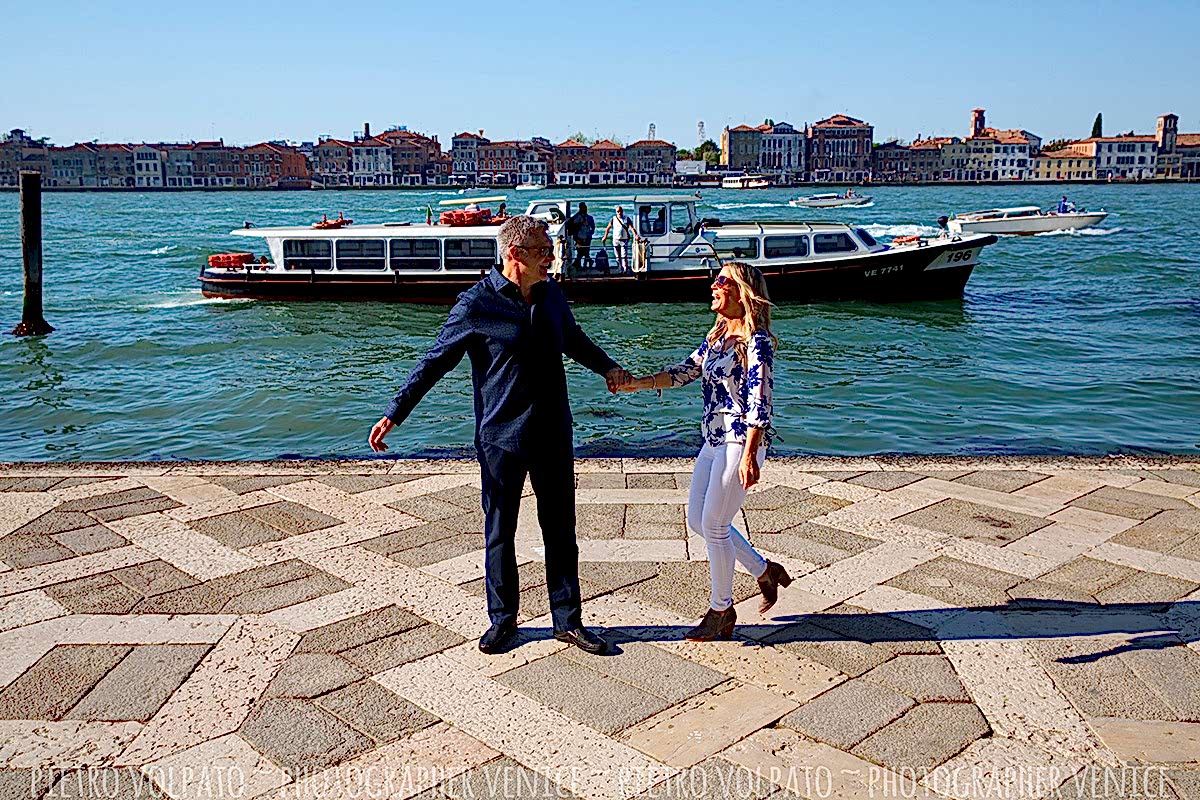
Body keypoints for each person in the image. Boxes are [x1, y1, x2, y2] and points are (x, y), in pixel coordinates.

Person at [368, 215, 633, 655]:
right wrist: (396, 413)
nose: (552, 256)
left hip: (552, 433)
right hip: (500, 438)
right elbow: (435, 362)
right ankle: (503, 622)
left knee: (561, 532)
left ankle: (568, 621)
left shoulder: (551, 295)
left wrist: (608, 367)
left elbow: (575, 339)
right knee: (500, 532)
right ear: (516, 255)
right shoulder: (476, 305)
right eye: (544, 250)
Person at [617, 262, 790, 641]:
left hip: (738, 441)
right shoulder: (716, 337)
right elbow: (684, 371)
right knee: (699, 522)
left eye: (723, 280)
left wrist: (750, 455)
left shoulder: (755, 342)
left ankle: (721, 610)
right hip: (712, 441)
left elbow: (761, 400)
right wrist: (638, 385)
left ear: (742, 292)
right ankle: (764, 570)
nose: (714, 284)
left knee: (714, 526)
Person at [601, 205, 641, 274]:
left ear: (622, 211)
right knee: (617, 256)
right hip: (616, 239)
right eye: (618, 211)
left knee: (624, 255)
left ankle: (625, 269)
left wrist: (635, 235)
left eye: (620, 211)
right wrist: (605, 237)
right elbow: (608, 228)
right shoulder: (613, 219)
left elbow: (631, 227)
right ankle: (620, 268)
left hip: (624, 239)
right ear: (616, 212)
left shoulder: (626, 218)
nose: (619, 213)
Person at [564, 202, 595, 269]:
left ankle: (585, 264)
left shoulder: (589, 217)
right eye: (582, 207)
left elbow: (593, 227)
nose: (584, 208)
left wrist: (590, 234)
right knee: (580, 252)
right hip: (579, 237)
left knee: (586, 251)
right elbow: (572, 226)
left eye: (585, 207)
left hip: (587, 237)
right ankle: (582, 264)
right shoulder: (576, 217)